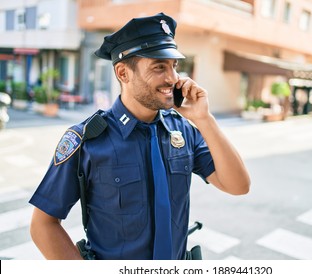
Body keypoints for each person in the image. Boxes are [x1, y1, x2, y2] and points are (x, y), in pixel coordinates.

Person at [29, 12, 250, 260]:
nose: (173, 78)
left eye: (173, 66)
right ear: (123, 73)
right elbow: (43, 225)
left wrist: (204, 119)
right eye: (159, 67)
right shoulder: (87, 140)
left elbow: (238, 185)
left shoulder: (183, 129)